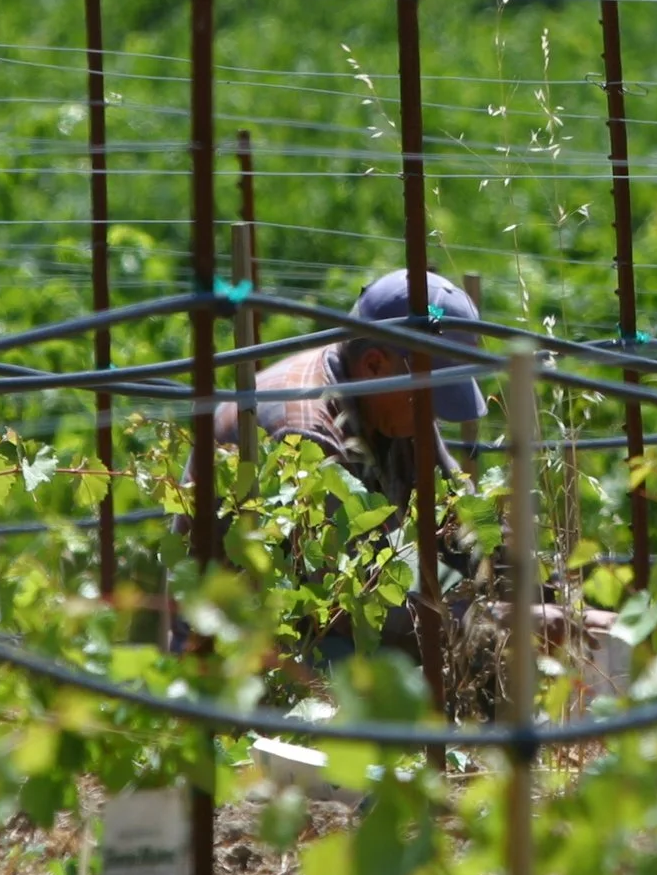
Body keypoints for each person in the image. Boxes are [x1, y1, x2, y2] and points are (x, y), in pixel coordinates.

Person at [208, 271, 488, 665]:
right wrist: (485, 624)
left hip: (327, 608)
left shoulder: (396, 403)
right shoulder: (302, 433)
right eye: (429, 398)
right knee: (385, 668)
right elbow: (349, 598)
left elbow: (466, 511)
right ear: (374, 365)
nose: (432, 417)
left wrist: (543, 596)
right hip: (250, 644)